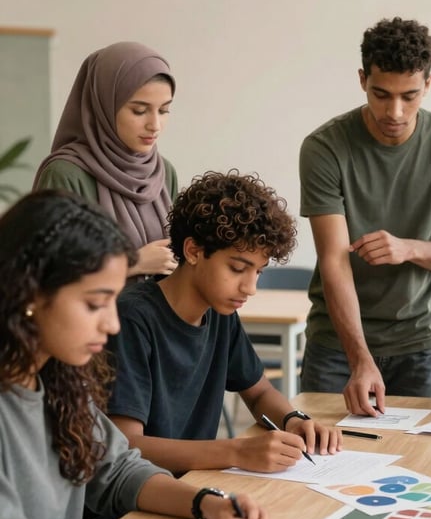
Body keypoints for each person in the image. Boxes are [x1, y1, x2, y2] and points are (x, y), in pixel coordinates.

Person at [0, 190, 269, 519]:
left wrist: (206, 503)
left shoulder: (55, 379)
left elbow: (118, 470)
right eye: (95, 304)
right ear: (30, 296)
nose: (110, 324)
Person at [299, 16, 431, 416]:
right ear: (362, 79)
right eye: (380, 94)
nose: (395, 111)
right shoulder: (324, 147)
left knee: (409, 462)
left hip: (417, 339)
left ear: (428, 85)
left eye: (410, 96)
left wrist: (407, 248)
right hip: (336, 344)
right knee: (318, 459)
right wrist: (361, 359)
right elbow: (334, 259)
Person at [107, 170, 342, 476]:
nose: (250, 287)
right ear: (193, 251)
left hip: (192, 482)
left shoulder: (219, 313)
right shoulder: (132, 318)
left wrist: (294, 420)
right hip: (134, 501)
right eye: (237, 268)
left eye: (257, 272)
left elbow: (258, 393)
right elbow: (128, 445)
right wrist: (235, 450)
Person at [34, 41, 178, 280]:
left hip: (153, 317)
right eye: (139, 110)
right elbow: (47, 269)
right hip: (92, 316)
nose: (155, 125)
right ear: (103, 106)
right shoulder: (66, 174)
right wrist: (133, 263)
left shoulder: (163, 172)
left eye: (163, 111)